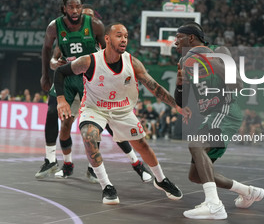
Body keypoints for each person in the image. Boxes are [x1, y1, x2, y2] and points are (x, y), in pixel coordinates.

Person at [54, 22, 183, 204]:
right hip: (95, 109)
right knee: (89, 136)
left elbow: (154, 87)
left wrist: (176, 105)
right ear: (107, 38)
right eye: (119, 36)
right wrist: (61, 100)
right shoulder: (89, 61)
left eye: (126, 36)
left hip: (122, 110)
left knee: (142, 146)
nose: (123, 40)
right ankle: (106, 185)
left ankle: (161, 180)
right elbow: (60, 72)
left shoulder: (132, 62)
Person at [36, 0, 151, 183]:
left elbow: (114, 54)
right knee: (58, 118)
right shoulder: (57, 28)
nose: (77, 12)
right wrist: (51, 68)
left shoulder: (97, 31)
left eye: (80, 9)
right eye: (72, 8)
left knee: (108, 125)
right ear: (65, 9)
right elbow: (53, 55)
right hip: (67, 78)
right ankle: (60, 163)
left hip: (91, 79)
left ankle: (136, 164)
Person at [174, 22, 264, 220]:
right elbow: (181, 101)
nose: (174, 43)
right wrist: (179, 83)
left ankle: (214, 205)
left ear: (191, 38)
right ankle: (248, 191)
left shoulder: (219, 51)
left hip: (225, 110)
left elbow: (238, 84)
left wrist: (204, 59)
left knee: (196, 145)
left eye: (178, 38)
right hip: (211, 115)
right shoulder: (184, 62)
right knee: (196, 175)